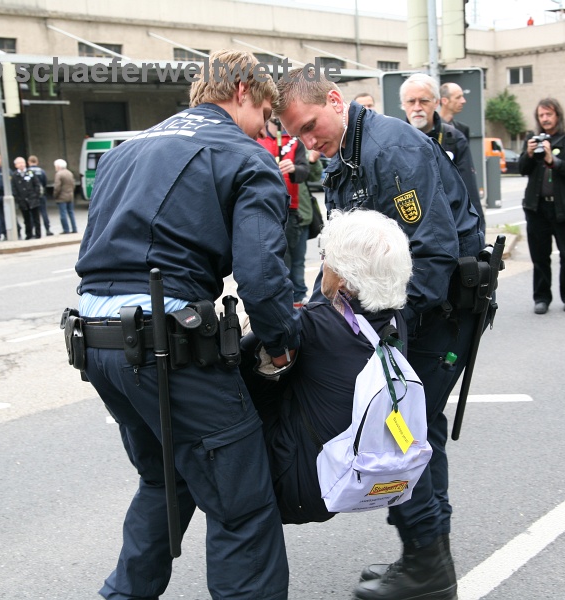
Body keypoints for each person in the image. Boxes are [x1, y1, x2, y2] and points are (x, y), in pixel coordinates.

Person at [74, 49, 300, 600]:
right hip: (171, 348)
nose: (264, 129)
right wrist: (281, 344)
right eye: (264, 114)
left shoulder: (124, 153)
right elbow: (261, 275)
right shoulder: (246, 157)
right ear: (242, 92)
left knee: (165, 480)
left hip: (96, 342)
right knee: (241, 505)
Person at [277, 67, 485, 600]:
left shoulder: (391, 151)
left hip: (439, 311)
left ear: (335, 100)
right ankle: (425, 557)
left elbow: (432, 254)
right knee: (419, 429)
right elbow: (344, 253)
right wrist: (321, 310)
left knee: (401, 431)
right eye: (297, 135)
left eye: (309, 126)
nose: (307, 142)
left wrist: (381, 331)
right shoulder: (344, 154)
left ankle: (428, 565)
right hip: (407, 309)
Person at [242, 208, 412, 524]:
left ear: (344, 277)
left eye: (326, 257)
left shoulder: (314, 326)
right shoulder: (395, 320)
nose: (322, 265)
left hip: (303, 485)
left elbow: (249, 348)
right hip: (355, 478)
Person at [519, 97, 565, 314]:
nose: (545, 119)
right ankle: (541, 298)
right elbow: (522, 169)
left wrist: (551, 159)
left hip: (563, 208)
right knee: (539, 257)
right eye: (541, 115)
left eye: (549, 114)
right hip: (536, 209)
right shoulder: (533, 139)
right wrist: (529, 154)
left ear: (558, 116)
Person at [401, 73, 484, 231]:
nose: (417, 107)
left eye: (424, 101)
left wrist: (477, 234)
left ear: (436, 102)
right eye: (411, 101)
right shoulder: (393, 141)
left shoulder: (454, 138)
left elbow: (469, 193)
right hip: (409, 231)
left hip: (449, 228)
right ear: (403, 104)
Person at [258, 117, 309, 304]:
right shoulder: (257, 138)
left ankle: (298, 298)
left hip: (290, 208)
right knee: (276, 259)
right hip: (265, 208)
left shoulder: (295, 140)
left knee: (295, 257)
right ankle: (281, 299)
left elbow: (305, 172)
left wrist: (294, 168)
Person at [11, 156, 42, 240]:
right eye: (19, 163)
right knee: (26, 219)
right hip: (22, 201)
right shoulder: (15, 175)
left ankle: (38, 234)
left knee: (36, 218)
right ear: (16, 165)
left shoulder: (30, 173)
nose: (21, 165)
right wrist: (18, 199)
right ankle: (28, 234)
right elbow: (14, 188)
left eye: (22, 163)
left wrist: (36, 195)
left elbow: (37, 184)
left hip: (33, 199)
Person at [27, 155, 54, 236]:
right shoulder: (41, 171)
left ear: (28, 162)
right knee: (44, 212)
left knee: (32, 214)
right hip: (41, 194)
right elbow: (45, 182)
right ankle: (47, 229)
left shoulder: (27, 171)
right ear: (37, 162)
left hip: (31, 196)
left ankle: (33, 231)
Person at [52, 159, 78, 234]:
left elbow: (57, 187)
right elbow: (73, 184)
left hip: (61, 197)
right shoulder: (69, 173)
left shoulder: (59, 174)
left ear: (58, 166)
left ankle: (66, 229)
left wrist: (55, 195)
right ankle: (74, 228)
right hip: (70, 195)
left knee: (63, 214)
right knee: (71, 213)